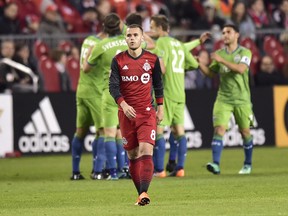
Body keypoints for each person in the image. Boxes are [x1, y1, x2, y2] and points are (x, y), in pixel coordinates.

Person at [109, 24, 164, 206]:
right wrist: (123, 104)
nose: (132, 38)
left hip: (146, 112)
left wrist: (161, 107)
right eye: (129, 35)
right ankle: (140, 192)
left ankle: (144, 193)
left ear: (142, 38)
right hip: (126, 114)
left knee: (146, 150)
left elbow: (158, 85)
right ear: (126, 39)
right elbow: (113, 87)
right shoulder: (118, 60)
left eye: (135, 35)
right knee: (132, 155)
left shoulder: (152, 59)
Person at [150, 14, 209, 177]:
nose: (150, 30)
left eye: (152, 27)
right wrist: (198, 42)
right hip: (180, 94)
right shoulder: (179, 44)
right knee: (179, 131)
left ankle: (160, 170)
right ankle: (180, 168)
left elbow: (162, 69)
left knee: (159, 131)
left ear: (159, 28)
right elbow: (192, 64)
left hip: (166, 92)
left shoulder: (161, 42)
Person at [198, 24, 254, 175]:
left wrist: (221, 61)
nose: (225, 35)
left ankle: (247, 164)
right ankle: (215, 164)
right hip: (223, 98)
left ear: (237, 35)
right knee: (219, 129)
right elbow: (211, 73)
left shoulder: (245, 52)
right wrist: (199, 64)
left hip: (242, 99)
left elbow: (241, 69)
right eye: (223, 33)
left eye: (228, 32)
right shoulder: (218, 53)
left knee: (245, 132)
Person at [70, 32, 107, 180]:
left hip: (81, 90)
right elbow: (88, 66)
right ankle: (97, 171)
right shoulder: (100, 45)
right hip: (94, 92)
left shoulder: (88, 39)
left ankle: (75, 172)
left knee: (80, 132)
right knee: (104, 131)